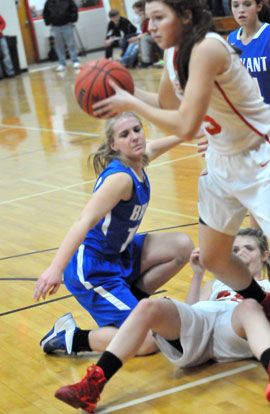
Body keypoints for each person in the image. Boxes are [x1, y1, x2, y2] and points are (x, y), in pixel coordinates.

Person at [92, 0, 270, 318]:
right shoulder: (174, 53)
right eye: (148, 19)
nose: (150, 27)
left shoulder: (207, 49)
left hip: (261, 156)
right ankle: (265, 302)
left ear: (186, 16)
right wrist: (117, 88)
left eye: (159, 18)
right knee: (215, 258)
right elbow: (166, 103)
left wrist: (129, 101)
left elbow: (187, 126)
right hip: (221, 160)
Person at [53, 228, 270, 412]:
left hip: (235, 328)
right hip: (199, 332)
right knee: (148, 306)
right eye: (234, 249)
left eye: (248, 248)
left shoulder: (266, 289)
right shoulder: (214, 285)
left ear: (264, 256)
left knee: (249, 305)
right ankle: (93, 385)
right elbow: (192, 310)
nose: (240, 252)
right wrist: (197, 274)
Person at [33, 111, 194, 357]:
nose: (134, 138)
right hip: (93, 269)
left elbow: (154, 147)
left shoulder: (138, 160)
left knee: (182, 246)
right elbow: (83, 220)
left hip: (119, 255)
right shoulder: (120, 178)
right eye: (125, 134)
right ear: (113, 145)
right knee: (147, 341)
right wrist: (55, 268)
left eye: (137, 130)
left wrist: (189, 133)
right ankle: (72, 337)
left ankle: (132, 304)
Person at [228, 0, 270, 104]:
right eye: (236, 6)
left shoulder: (268, 34)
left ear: (259, 6)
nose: (241, 10)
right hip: (247, 113)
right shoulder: (231, 39)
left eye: (247, 4)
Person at [43, 0, 82, 72]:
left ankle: (75, 61)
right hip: (55, 26)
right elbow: (45, 13)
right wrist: (48, 22)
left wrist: (72, 19)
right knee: (58, 45)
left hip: (67, 24)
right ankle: (61, 63)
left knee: (71, 43)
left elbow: (74, 9)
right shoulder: (48, 2)